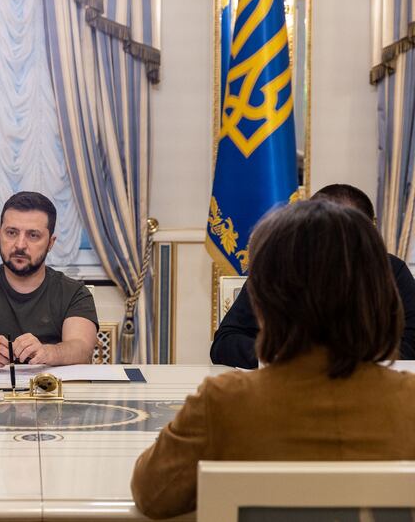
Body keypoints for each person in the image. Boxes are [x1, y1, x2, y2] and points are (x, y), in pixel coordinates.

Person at [131, 200, 415, 519]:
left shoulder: (225, 402)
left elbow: (152, 496)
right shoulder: (409, 401)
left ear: (264, 300)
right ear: (381, 296)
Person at [211, 183, 415, 368]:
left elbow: (412, 340)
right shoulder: (275, 266)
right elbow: (225, 342)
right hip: (285, 389)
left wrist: (358, 364)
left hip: (371, 391)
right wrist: (283, 358)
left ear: (368, 234)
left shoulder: (390, 270)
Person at [0, 191, 99, 367]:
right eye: (11, 233)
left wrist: (48, 352)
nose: (20, 245)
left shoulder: (75, 293)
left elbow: (82, 349)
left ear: (51, 243)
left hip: (53, 392)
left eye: (33, 235)